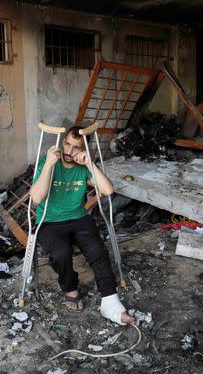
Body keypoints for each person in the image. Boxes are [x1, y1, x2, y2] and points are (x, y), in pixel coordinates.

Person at [29, 126, 135, 325]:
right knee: (61, 253)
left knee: (98, 251)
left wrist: (90, 164)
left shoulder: (83, 166)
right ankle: (70, 287)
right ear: (62, 143)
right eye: (67, 144)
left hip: (78, 218)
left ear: (83, 149)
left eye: (76, 148)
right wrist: (49, 165)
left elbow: (108, 190)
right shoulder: (48, 162)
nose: (69, 151)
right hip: (50, 221)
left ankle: (110, 302)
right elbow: (36, 197)